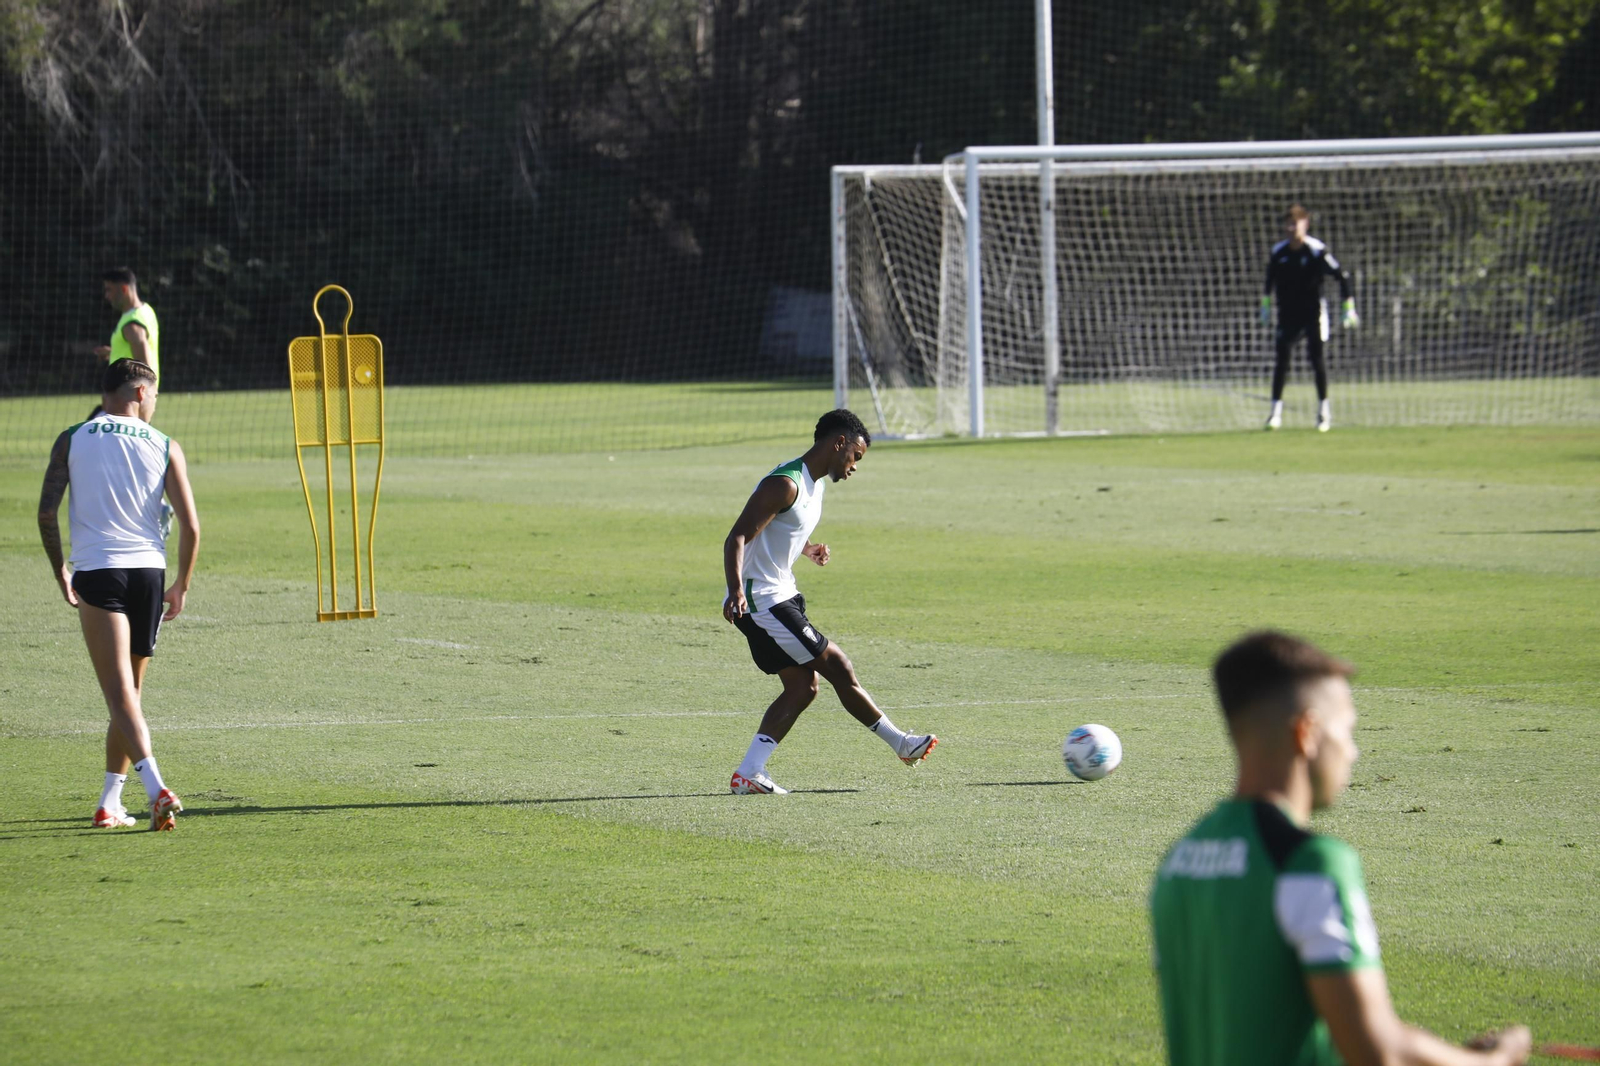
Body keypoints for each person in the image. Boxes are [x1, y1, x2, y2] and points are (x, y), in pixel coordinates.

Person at [1149, 630, 1531, 1066]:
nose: (1353, 751)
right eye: (1346, 730)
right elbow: (1377, 1051)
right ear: (1307, 733)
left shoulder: (1178, 861)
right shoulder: (1309, 864)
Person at [722, 409, 936, 794]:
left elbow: (776, 527)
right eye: (855, 456)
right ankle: (901, 744)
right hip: (762, 600)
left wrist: (806, 549)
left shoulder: (814, 483)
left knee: (804, 688)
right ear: (838, 444)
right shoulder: (784, 483)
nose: (854, 466)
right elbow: (737, 536)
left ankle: (749, 773)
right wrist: (737, 589)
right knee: (837, 664)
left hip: (780, 593)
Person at [37, 359, 200, 831]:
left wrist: (59, 570)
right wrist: (181, 586)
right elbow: (190, 525)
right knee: (129, 695)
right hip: (149, 573)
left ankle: (156, 790)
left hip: (99, 572)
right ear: (137, 392)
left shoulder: (72, 437)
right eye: (153, 394)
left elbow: (47, 515)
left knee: (118, 695)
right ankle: (110, 803)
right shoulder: (166, 444)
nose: (154, 404)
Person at [91, 267, 172, 539]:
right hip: (132, 398)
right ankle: (143, 510)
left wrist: (145, 393)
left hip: (130, 401)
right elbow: (135, 349)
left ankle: (152, 508)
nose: (106, 296)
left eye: (109, 290)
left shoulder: (131, 323)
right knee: (123, 457)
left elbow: (143, 353)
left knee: (98, 447)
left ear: (124, 289)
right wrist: (113, 352)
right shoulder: (144, 312)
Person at [1261, 205, 1357, 432]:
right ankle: (1275, 414)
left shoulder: (1316, 250)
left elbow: (1341, 276)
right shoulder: (1279, 252)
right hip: (1288, 314)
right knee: (1282, 361)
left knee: (1317, 361)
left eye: (1295, 224)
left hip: (1314, 313)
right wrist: (1265, 305)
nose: (1291, 228)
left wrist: (1348, 306)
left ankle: (1324, 413)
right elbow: (1269, 280)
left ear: (1305, 225)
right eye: (1288, 224)